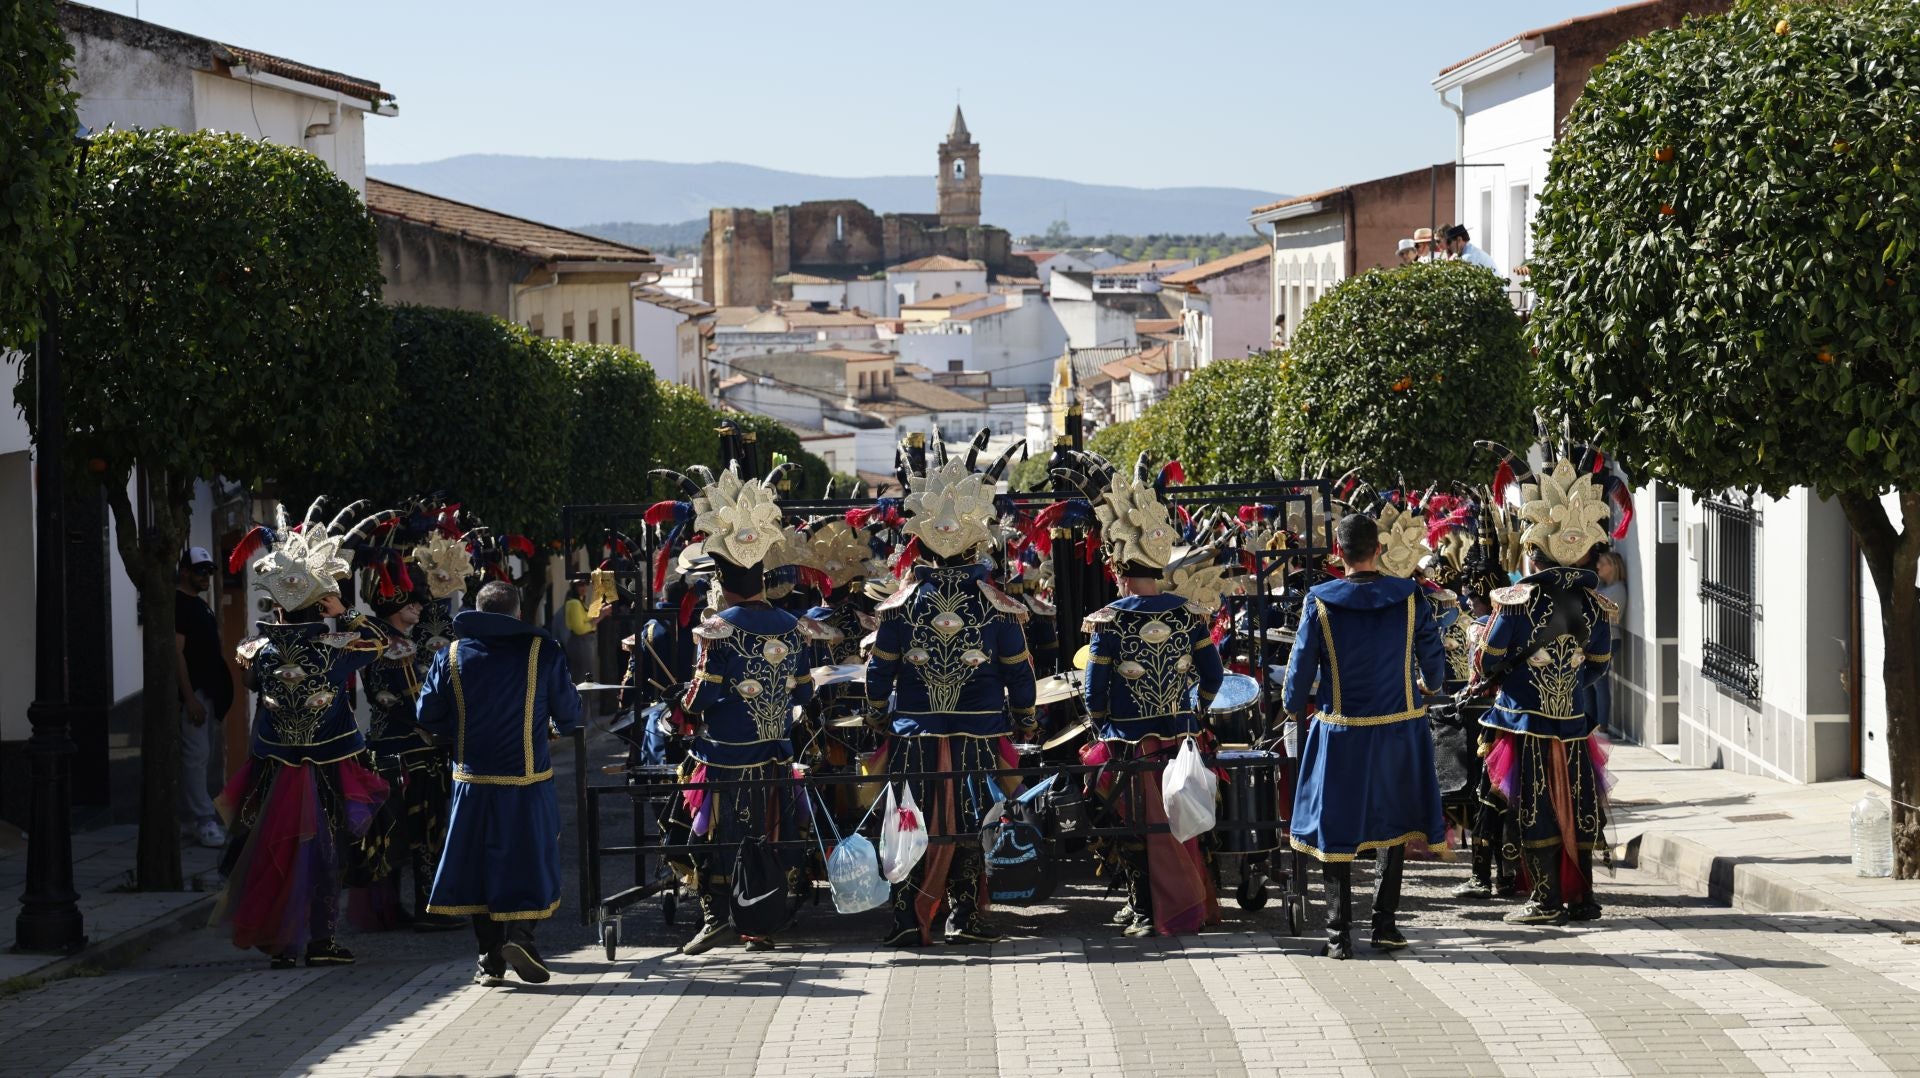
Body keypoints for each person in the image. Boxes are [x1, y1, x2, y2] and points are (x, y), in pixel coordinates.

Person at [867, 445, 1038, 947]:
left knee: (909, 819)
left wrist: (875, 715)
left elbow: (879, 673)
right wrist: (1026, 718)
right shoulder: (997, 605)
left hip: (915, 736)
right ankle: (962, 915)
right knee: (971, 819)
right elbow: (1020, 674)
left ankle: (906, 916)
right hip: (979, 734)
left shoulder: (900, 605)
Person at [215, 503, 390, 969]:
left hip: (274, 769)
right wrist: (346, 613)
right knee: (326, 855)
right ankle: (321, 942)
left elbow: (251, 682)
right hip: (328, 771)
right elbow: (381, 643)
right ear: (320, 605)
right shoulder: (336, 651)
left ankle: (281, 942)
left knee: (275, 853)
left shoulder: (256, 651)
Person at [666, 464, 821, 956]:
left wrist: (681, 703)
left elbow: (700, 697)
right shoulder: (793, 626)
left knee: (712, 836)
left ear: (721, 578)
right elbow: (804, 695)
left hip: (724, 756)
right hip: (775, 753)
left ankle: (716, 918)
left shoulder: (717, 629)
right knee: (768, 834)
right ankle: (761, 923)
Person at [1282, 513, 1448, 960]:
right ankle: (1385, 925)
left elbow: (1299, 672)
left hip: (1342, 730)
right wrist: (1430, 685)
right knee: (1393, 821)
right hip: (1399, 726)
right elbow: (1433, 657)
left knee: (1335, 826)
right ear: (1379, 549)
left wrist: (1292, 704)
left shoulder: (1320, 601)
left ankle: (1339, 936)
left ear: (1339, 552)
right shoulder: (1409, 596)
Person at [1081, 457, 1225, 937]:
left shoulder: (1111, 619)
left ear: (1121, 568)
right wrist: (1197, 708)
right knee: (1182, 823)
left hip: (1129, 743)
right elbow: (1213, 674)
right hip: (1181, 738)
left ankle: (1145, 908)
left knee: (1135, 824)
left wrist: (1101, 722)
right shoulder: (1189, 614)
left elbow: (1093, 691)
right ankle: (1187, 902)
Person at [1471, 459, 1616, 926]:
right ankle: (1583, 899)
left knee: (1535, 808)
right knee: (1579, 806)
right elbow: (1599, 666)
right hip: (1572, 726)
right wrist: (1568, 686)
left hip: (1526, 724)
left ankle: (1546, 899)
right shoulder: (1594, 606)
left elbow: (1486, 662)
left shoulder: (1516, 603)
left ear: (1534, 552)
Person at [417, 579, 583, 985]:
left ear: (477, 609)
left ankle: (489, 958)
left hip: (471, 780)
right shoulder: (543, 651)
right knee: (531, 857)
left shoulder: (450, 654)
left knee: (477, 864)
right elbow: (569, 715)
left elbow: (427, 714)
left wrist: (460, 726)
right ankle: (521, 937)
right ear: (518, 612)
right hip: (527, 779)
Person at [175, 547, 232, 850]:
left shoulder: (198, 604)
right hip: (195, 694)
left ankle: (190, 818)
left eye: (209, 571)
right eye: (200, 571)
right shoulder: (180, 605)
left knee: (200, 756)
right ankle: (203, 819)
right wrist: (190, 697)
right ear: (184, 571)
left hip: (206, 693)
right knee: (196, 756)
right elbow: (177, 654)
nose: (206, 576)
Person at [1592, 550, 1628, 735]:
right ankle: (1593, 722)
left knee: (1599, 681)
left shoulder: (1617, 589)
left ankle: (1602, 724)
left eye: (1603, 563)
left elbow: (1597, 611)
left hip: (1608, 639)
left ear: (1612, 567)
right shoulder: (1605, 587)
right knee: (1592, 681)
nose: (1598, 566)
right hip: (1598, 639)